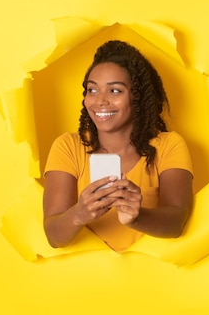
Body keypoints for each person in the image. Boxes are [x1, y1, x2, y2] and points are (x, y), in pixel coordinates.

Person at [42, 40, 193, 252]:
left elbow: (176, 222)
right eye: (92, 90)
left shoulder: (169, 146)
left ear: (137, 97)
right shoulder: (67, 146)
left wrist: (137, 217)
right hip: (84, 279)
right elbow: (53, 236)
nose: (100, 101)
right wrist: (78, 214)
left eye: (114, 91)